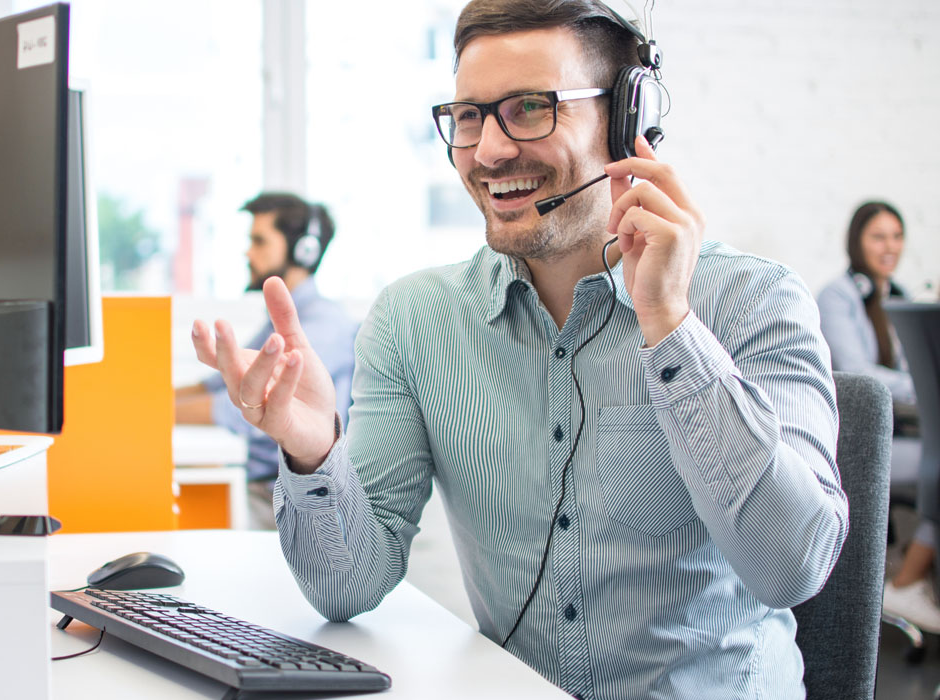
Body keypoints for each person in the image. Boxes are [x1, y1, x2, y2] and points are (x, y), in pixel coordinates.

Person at [191, 2, 847, 697]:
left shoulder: (755, 301)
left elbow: (792, 570)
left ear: (626, 122)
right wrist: (312, 449)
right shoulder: (416, 321)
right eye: (469, 116)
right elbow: (346, 587)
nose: (491, 150)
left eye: (531, 107)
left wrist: (670, 326)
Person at [175, 192, 357, 530]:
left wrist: (147, 414)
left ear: (304, 251)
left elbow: (242, 408)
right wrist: (149, 400)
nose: (248, 252)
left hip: (286, 498)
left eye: (259, 241)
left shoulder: (321, 327)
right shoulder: (281, 319)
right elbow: (219, 382)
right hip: (258, 484)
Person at [816, 202, 937, 630]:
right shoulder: (839, 296)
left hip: (899, 432)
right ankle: (907, 581)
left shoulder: (898, 297)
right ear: (857, 242)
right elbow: (860, 376)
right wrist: (927, 380)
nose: (890, 247)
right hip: (856, 444)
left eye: (897, 236)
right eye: (878, 236)